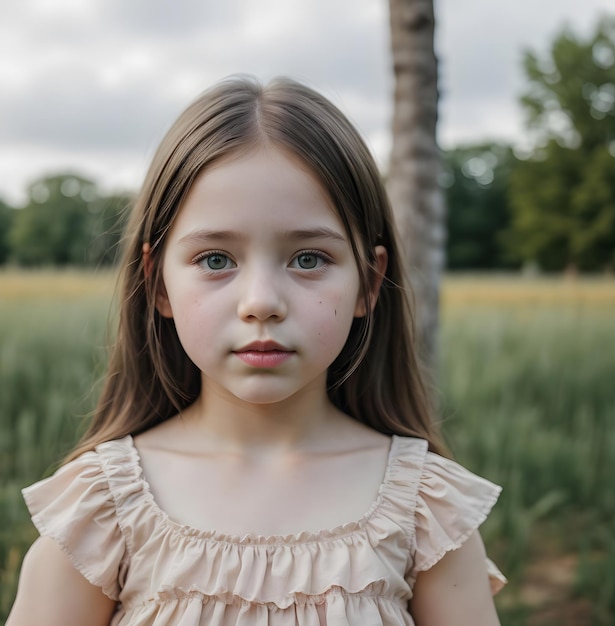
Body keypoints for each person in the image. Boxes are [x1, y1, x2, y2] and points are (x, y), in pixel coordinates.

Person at [8, 76, 506, 626]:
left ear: (368, 283)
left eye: (309, 259)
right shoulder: (101, 513)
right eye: (216, 260)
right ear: (158, 284)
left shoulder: (425, 513)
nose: (262, 303)